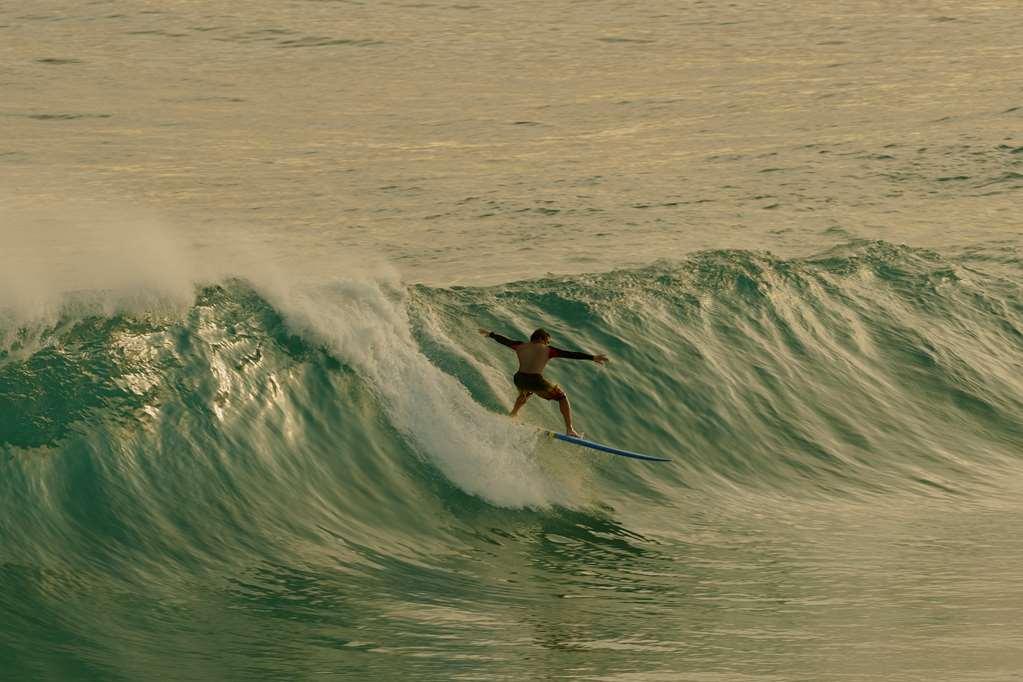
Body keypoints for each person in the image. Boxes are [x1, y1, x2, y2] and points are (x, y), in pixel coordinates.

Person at [478, 327, 608, 437]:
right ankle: (570, 429)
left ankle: (513, 414)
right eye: (547, 341)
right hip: (535, 380)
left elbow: (504, 340)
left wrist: (490, 334)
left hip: (519, 378)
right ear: (542, 338)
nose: (547, 343)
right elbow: (570, 354)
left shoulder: (520, 346)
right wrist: (592, 357)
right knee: (562, 397)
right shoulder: (548, 350)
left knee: (526, 392)